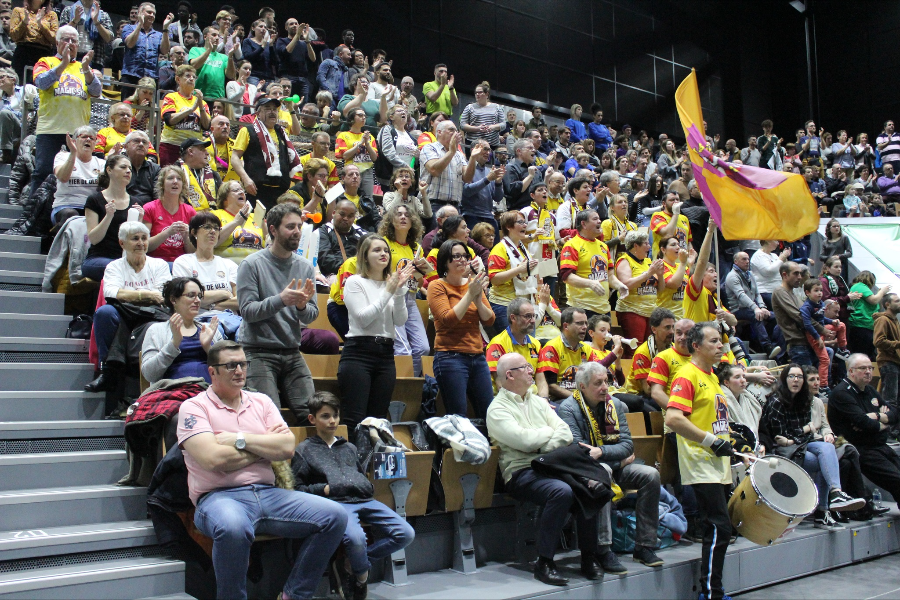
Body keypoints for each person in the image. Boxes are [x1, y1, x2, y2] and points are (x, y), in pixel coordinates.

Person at [177, 340, 346, 600]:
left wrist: (237, 439)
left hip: (269, 494)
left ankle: (293, 594)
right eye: (231, 365)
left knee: (334, 516)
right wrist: (264, 448)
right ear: (213, 372)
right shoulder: (194, 408)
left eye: (243, 364)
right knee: (233, 528)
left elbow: (287, 447)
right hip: (218, 498)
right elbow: (213, 459)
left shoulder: (261, 402)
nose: (239, 371)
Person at [487, 352, 599, 587]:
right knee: (561, 491)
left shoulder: (538, 401)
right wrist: (547, 436)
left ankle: (589, 557)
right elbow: (523, 441)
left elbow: (565, 433)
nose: (532, 371)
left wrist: (538, 442)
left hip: (550, 466)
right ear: (509, 375)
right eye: (526, 367)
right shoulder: (497, 409)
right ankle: (544, 562)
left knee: (590, 485)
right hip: (520, 472)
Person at [292, 392, 415, 600]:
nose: (332, 421)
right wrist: (324, 489)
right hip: (338, 504)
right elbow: (297, 489)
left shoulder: (348, 446)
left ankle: (352, 564)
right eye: (325, 416)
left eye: (336, 415)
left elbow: (358, 474)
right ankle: (361, 576)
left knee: (406, 533)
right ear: (312, 419)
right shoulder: (304, 450)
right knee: (356, 539)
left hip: (365, 500)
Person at [558, 362, 663, 570]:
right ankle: (603, 549)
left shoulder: (614, 405)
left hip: (610, 465)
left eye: (606, 381)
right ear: (582, 387)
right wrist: (617, 461)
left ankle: (644, 546)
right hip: (583, 473)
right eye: (598, 383)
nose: (605, 387)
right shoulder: (568, 409)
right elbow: (582, 454)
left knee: (650, 474)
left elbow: (627, 446)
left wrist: (603, 453)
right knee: (603, 472)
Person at [665, 322, 734, 600]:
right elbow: (673, 419)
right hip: (700, 461)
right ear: (696, 346)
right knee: (719, 527)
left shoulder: (712, 376)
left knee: (719, 528)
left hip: (718, 463)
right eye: (714, 341)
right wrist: (710, 442)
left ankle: (712, 590)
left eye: (721, 341)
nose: (720, 346)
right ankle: (710, 593)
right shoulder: (687, 375)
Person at [236, 203, 317, 421]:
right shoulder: (251, 264)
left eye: (299, 226)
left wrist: (300, 306)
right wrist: (280, 300)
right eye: (290, 226)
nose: (297, 232)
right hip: (257, 351)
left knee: (313, 414)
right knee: (268, 416)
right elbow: (247, 312)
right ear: (273, 230)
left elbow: (312, 314)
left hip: (291, 350)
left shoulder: (305, 267)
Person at [759, 364, 865, 529]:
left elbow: (802, 435)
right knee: (825, 460)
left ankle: (835, 494)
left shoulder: (805, 400)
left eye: (799, 377)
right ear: (784, 379)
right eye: (792, 376)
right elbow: (779, 437)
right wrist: (806, 429)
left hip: (802, 444)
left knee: (827, 449)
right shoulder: (776, 402)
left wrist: (800, 434)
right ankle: (824, 510)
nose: (796, 380)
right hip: (782, 451)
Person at [337, 235, 414, 431]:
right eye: (377, 250)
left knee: (378, 420)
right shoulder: (355, 282)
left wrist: (398, 293)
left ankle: (373, 461)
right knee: (355, 419)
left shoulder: (390, 284)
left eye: (386, 250)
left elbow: (400, 320)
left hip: (386, 355)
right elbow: (364, 318)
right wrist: (389, 291)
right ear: (365, 255)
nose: (383, 254)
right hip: (358, 354)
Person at [86, 221, 172, 392]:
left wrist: (128, 295)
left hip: (151, 314)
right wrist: (146, 295)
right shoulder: (114, 266)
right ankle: (108, 368)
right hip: (123, 312)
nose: (141, 243)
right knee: (104, 312)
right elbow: (110, 293)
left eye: (144, 238)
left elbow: (162, 296)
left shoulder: (159, 265)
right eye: (135, 239)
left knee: (139, 322)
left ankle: (111, 371)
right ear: (122, 243)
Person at [427, 239, 495, 417]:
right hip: (450, 357)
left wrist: (478, 299)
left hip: (477, 357)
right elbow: (448, 319)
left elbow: (489, 320)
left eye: (465, 256)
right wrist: (470, 294)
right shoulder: (437, 286)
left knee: (488, 413)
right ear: (445, 261)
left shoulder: (472, 284)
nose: (462, 260)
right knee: (458, 414)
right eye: (456, 256)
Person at [31, 24, 100, 196]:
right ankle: (33, 214)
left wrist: (86, 70)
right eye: (66, 39)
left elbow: (97, 92)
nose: (70, 43)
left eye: (74, 41)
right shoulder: (45, 62)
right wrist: (63, 64)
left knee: (74, 174)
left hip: (78, 133)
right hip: (50, 129)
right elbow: (41, 83)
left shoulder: (85, 67)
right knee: (43, 172)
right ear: (57, 42)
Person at [379, 204, 431, 376]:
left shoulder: (416, 248)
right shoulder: (384, 243)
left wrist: (419, 274)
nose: (403, 217)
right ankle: (399, 390)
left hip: (410, 298)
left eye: (407, 215)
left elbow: (419, 282)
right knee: (402, 350)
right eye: (398, 214)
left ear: (412, 221)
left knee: (423, 348)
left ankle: (411, 386)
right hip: (391, 297)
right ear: (391, 220)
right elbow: (378, 272)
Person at [140, 276, 222, 383]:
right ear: (173, 299)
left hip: (209, 393)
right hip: (171, 394)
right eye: (191, 295)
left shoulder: (209, 329)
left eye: (199, 296)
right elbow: (149, 374)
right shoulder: (155, 331)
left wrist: (208, 348)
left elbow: (227, 370)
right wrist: (173, 344)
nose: (197, 301)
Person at [232, 96, 303, 210]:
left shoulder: (281, 132)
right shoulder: (248, 130)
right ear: (258, 113)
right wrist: (246, 179)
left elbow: (297, 131)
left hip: (280, 192)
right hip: (256, 190)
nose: (272, 112)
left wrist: (291, 109)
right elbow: (235, 157)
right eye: (267, 109)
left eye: (275, 109)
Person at [81, 154, 143, 281]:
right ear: (109, 170)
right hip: (98, 258)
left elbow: (136, 241)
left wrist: (140, 221)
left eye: (130, 169)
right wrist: (108, 216)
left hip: (126, 258)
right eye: (123, 167)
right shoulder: (95, 200)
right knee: (118, 268)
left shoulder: (136, 203)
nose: (128, 171)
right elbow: (94, 239)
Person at [559, 208, 626, 319]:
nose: (599, 221)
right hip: (581, 309)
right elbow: (567, 277)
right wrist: (590, 283)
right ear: (584, 224)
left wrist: (620, 286)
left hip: (604, 308)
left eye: (599, 218)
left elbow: (610, 275)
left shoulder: (603, 246)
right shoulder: (572, 245)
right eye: (595, 219)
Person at [173, 212, 239, 312]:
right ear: (194, 232)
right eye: (207, 227)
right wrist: (224, 293)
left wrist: (211, 305)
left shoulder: (229, 264)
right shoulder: (183, 262)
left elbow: (240, 300)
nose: (213, 231)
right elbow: (186, 297)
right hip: (198, 320)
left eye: (216, 228)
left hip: (230, 321)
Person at [485, 297, 548, 397]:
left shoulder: (535, 344)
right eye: (527, 316)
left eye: (533, 316)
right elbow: (500, 384)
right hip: (510, 400)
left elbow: (540, 380)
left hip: (533, 399)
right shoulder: (497, 344)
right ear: (513, 318)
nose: (532, 321)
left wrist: (544, 400)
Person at [487, 210, 538, 332]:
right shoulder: (499, 249)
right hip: (504, 305)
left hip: (525, 305)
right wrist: (519, 269)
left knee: (528, 345)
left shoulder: (522, 247)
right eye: (520, 222)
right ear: (509, 227)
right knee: (510, 346)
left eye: (525, 222)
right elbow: (494, 279)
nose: (525, 225)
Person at [537, 307, 601, 402]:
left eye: (586, 323)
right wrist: (579, 398)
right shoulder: (552, 347)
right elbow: (551, 386)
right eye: (579, 323)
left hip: (582, 397)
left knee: (617, 405)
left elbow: (597, 375)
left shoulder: (587, 348)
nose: (584, 327)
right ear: (566, 326)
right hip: (560, 399)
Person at [724, 251, 780, 358]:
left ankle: (769, 343)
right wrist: (755, 308)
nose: (747, 262)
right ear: (736, 261)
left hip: (751, 308)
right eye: (744, 259)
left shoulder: (750, 275)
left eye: (748, 259)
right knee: (756, 316)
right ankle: (767, 346)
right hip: (737, 310)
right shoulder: (732, 276)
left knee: (775, 317)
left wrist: (762, 307)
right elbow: (741, 295)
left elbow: (757, 293)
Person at [615, 230, 664, 344]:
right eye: (646, 244)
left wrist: (660, 276)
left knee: (649, 348)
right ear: (635, 246)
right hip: (632, 310)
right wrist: (648, 273)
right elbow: (626, 285)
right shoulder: (624, 260)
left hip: (651, 311)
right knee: (635, 348)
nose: (649, 246)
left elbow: (660, 290)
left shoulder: (648, 261)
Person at [141, 164, 197, 263]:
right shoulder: (149, 208)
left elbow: (193, 253)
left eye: (179, 179)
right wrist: (168, 232)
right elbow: (144, 246)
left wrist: (186, 237)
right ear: (162, 184)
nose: (175, 181)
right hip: (154, 262)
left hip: (181, 263)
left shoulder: (190, 211)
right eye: (170, 178)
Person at [49, 126, 104, 225]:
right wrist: (73, 153)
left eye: (92, 138)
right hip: (65, 206)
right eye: (84, 136)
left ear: (95, 144)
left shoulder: (101, 163)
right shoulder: (62, 156)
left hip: (91, 207)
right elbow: (63, 177)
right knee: (71, 215)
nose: (88, 139)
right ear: (74, 141)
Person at [801, 278, 850, 387]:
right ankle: (823, 385)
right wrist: (818, 338)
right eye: (816, 290)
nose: (819, 293)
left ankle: (842, 349)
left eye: (821, 290)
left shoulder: (821, 303)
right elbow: (807, 324)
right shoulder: (806, 307)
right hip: (813, 334)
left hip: (821, 328)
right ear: (807, 293)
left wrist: (832, 321)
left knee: (841, 325)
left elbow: (822, 319)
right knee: (825, 360)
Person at [159, 64, 210, 166]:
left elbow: (206, 126)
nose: (191, 79)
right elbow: (169, 120)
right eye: (187, 76)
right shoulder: (171, 97)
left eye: (193, 77)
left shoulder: (202, 103)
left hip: (193, 149)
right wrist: (190, 110)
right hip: (171, 146)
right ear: (178, 79)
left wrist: (200, 106)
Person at [211, 180, 261, 265]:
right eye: (236, 190)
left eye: (242, 190)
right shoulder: (215, 215)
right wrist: (235, 222)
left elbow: (268, 245)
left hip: (254, 269)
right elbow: (212, 242)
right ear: (225, 197)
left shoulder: (256, 217)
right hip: (224, 268)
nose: (241, 192)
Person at [421, 120, 466, 213]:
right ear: (439, 132)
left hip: (455, 206)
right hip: (433, 204)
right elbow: (434, 170)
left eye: (456, 131)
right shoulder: (429, 148)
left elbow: (467, 179)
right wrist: (451, 152)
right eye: (451, 130)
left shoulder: (459, 154)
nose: (455, 133)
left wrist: (473, 158)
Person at [121, 3, 171, 84]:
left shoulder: (158, 35)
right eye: (149, 12)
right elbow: (130, 44)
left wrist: (165, 29)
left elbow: (165, 51)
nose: (152, 15)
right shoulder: (129, 28)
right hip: (131, 75)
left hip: (151, 78)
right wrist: (140, 24)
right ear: (140, 13)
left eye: (154, 14)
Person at [10, 0, 57, 85]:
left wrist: (41, 25)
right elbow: (14, 36)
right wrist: (24, 23)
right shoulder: (19, 11)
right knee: (20, 85)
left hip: (43, 54)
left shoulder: (51, 15)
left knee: (41, 86)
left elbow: (54, 39)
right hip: (23, 53)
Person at [335, 107, 378, 199]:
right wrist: (360, 143)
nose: (363, 118)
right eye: (360, 115)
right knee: (350, 196)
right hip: (351, 171)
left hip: (367, 171)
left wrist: (367, 144)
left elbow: (374, 158)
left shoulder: (370, 137)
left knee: (368, 199)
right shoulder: (343, 135)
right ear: (351, 118)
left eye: (365, 116)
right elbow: (345, 155)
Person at [317, 199, 363, 283]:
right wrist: (349, 270)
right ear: (333, 213)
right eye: (342, 214)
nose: (345, 218)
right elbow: (326, 258)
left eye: (350, 216)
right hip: (334, 274)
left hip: (359, 273)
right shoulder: (323, 231)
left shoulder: (360, 233)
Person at [848, 270, 892, 359]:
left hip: (867, 326)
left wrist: (880, 295)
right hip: (860, 326)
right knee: (861, 355)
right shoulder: (860, 286)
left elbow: (877, 306)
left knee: (868, 355)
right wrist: (882, 291)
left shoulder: (863, 289)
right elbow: (874, 300)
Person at [188, 25, 236, 100]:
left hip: (218, 98)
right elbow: (194, 65)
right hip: (198, 96)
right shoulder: (196, 50)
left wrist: (230, 57)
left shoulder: (224, 57)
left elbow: (230, 75)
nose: (217, 38)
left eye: (218, 36)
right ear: (205, 37)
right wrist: (208, 50)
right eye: (214, 35)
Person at [376, 104, 418, 189]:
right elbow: (388, 153)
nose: (403, 112)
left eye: (405, 111)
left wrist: (418, 157)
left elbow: (415, 160)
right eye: (399, 111)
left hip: (408, 179)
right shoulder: (387, 130)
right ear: (391, 117)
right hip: (392, 178)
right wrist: (406, 167)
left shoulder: (411, 137)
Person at [0, 67, 36, 164]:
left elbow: (38, 106)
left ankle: (6, 153)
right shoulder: (2, 99)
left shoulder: (25, 90)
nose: (0, 80)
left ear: (13, 79)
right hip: (10, 133)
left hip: (27, 127)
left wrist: (30, 115)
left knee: (4, 113)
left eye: (2, 77)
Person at [275, 18, 314, 101]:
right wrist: (297, 36)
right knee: (286, 102)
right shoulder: (281, 40)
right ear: (286, 27)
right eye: (291, 24)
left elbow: (313, 58)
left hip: (302, 79)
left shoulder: (303, 44)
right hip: (287, 78)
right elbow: (287, 51)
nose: (294, 25)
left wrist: (307, 41)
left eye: (296, 24)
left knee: (303, 105)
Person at [459, 80, 504, 148]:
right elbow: (462, 125)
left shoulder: (497, 107)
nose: (477, 94)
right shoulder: (469, 107)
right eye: (476, 92)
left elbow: (503, 124)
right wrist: (477, 128)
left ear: (486, 94)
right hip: (473, 143)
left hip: (492, 144)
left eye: (480, 92)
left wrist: (492, 127)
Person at [649, 189, 690, 259]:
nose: (676, 202)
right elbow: (668, 234)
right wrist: (676, 213)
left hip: (682, 262)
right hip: (663, 262)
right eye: (672, 200)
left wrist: (690, 254)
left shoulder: (684, 218)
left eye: (677, 199)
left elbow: (688, 241)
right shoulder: (657, 216)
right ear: (664, 204)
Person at [503, 139, 543, 212]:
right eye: (530, 148)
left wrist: (547, 177)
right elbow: (513, 192)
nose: (534, 150)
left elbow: (541, 190)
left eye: (534, 148)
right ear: (519, 151)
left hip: (537, 210)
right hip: (518, 211)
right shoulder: (510, 168)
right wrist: (530, 176)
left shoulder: (536, 170)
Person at [657, 236, 692, 318]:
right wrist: (683, 262)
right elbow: (673, 284)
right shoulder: (660, 264)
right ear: (663, 250)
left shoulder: (683, 267)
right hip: (666, 316)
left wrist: (690, 264)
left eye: (678, 245)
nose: (678, 247)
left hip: (683, 316)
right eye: (673, 245)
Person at [751, 240, 792, 309]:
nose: (778, 243)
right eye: (776, 241)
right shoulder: (759, 255)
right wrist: (781, 259)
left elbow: (784, 270)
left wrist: (784, 259)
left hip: (777, 291)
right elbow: (769, 271)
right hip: (765, 292)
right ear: (768, 241)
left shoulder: (774, 255)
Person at [601, 193, 638, 263]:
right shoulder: (607, 223)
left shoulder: (633, 225)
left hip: (631, 262)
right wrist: (618, 239)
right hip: (612, 262)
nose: (624, 204)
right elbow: (601, 246)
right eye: (620, 202)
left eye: (625, 202)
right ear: (612, 207)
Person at [240, 19, 271, 83]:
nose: (263, 29)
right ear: (253, 28)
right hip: (253, 75)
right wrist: (262, 47)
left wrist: (272, 46)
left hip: (267, 77)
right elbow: (248, 57)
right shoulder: (248, 41)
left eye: (265, 27)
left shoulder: (268, 44)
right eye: (260, 26)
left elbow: (273, 60)